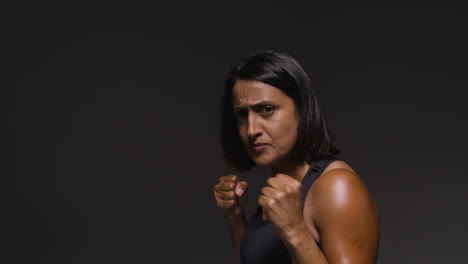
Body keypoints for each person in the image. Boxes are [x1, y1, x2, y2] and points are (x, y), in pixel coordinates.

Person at [213, 50, 379, 264]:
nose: (251, 129)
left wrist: (295, 232)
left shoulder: (337, 187)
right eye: (242, 115)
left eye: (266, 109)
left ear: (302, 110)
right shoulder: (282, 191)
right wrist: (235, 217)